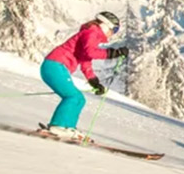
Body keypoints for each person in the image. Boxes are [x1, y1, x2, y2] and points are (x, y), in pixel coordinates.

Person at [40, 11, 129, 139]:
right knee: (73, 96)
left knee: (79, 99)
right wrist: (113, 53)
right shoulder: (92, 32)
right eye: (114, 29)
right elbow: (90, 52)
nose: (113, 33)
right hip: (55, 65)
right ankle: (57, 127)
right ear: (105, 25)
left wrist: (94, 81)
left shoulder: (92, 35)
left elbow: (86, 61)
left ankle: (68, 128)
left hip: (56, 67)